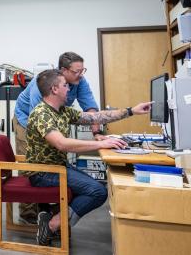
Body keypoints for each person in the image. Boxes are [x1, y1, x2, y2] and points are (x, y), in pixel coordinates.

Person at [26, 69, 152, 246]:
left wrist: (131, 111)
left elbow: (95, 116)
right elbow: (61, 143)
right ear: (54, 89)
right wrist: (101, 144)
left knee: (98, 187)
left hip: (57, 167)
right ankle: (53, 224)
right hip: (43, 173)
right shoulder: (42, 114)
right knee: (98, 192)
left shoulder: (62, 111)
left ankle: (52, 217)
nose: (69, 89)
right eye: (65, 85)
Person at [13, 52, 102, 223]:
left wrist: (97, 133)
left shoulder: (79, 82)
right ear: (63, 70)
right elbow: (38, 117)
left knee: (54, 162)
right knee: (31, 162)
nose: (81, 75)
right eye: (77, 71)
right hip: (26, 120)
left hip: (50, 120)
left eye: (83, 70)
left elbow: (90, 108)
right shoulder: (44, 84)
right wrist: (59, 140)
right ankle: (28, 214)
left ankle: (50, 209)